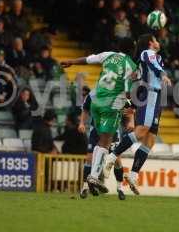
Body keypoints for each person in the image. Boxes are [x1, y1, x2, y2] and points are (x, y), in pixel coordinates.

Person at [61, 37, 137, 193]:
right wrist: (131, 105)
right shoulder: (131, 64)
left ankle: (93, 175)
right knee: (106, 141)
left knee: (102, 141)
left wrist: (72, 61)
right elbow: (128, 92)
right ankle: (94, 175)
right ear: (131, 50)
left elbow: (88, 59)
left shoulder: (109, 55)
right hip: (111, 104)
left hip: (95, 100)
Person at [104, 34, 172, 195]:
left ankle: (133, 175)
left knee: (150, 139)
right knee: (141, 130)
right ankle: (112, 156)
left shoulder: (155, 56)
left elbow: (141, 75)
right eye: (155, 40)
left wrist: (135, 102)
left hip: (155, 98)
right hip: (151, 94)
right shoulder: (147, 53)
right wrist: (163, 74)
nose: (158, 42)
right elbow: (154, 66)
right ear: (150, 43)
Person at [78, 89, 132, 200]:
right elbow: (85, 109)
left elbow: (130, 109)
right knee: (89, 158)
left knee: (116, 160)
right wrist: (82, 123)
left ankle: (119, 188)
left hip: (113, 130)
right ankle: (85, 187)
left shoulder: (119, 93)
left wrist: (130, 121)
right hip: (96, 130)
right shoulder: (93, 94)